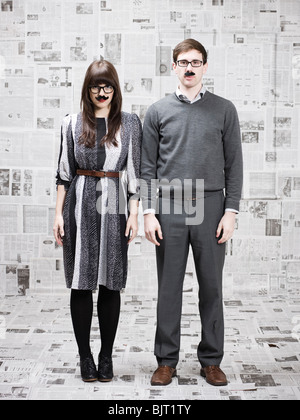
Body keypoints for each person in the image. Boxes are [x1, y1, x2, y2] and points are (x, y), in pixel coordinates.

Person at [141, 39, 243, 387]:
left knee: (211, 287)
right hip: (168, 206)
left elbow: (235, 165)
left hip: (212, 205)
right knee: (168, 288)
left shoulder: (224, 110)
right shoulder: (157, 112)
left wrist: (231, 211)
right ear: (173, 66)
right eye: (183, 62)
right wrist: (148, 212)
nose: (189, 67)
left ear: (205, 67)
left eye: (196, 62)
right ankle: (166, 361)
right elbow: (146, 167)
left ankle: (211, 361)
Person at [53, 60, 142, 383]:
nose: (101, 92)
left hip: (115, 202)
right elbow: (63, 174)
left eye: (107, 86)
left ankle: (106, 356)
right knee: (81, 281)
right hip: (79, 202)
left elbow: (135, 174)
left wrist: (134, 213)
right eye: (95, 86)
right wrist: (58, 215)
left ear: (115, 89)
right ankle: (85, 356)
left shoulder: (129, 123)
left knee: (111, 280)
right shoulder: (72, 123)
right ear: (87, 90)